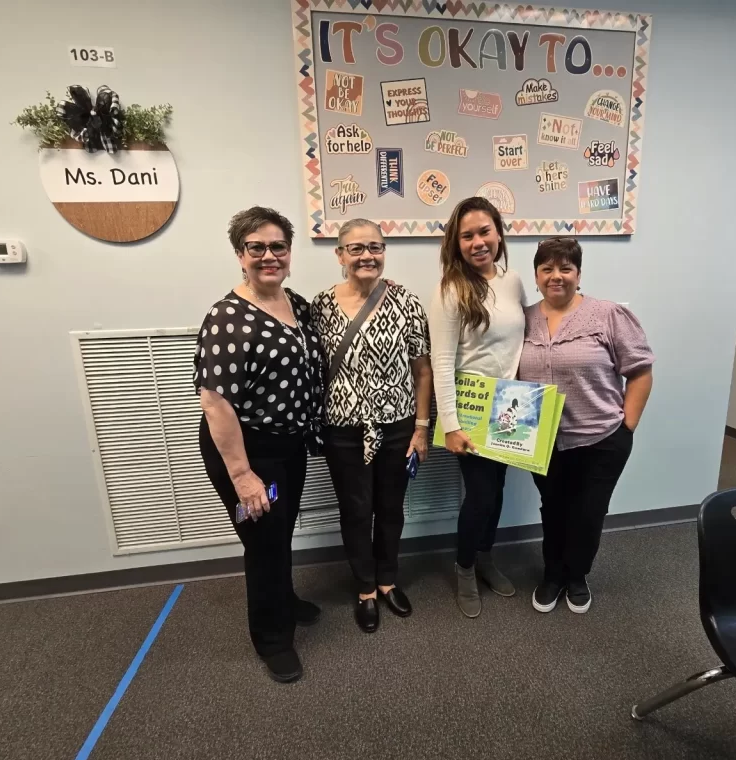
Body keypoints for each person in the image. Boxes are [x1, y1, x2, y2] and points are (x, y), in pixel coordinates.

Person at [194, 206, 324, 683]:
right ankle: (272, 638)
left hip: (288, 444)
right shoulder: (228, 317)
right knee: (264, 543)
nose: (269, 255)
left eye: (278, 247)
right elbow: (216, 405)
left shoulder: (296, 303)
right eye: (257, 247)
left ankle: (283, 600)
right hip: (247, 451)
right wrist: (243, 475)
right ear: (240, 255)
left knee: (279, 532)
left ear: (289, 254)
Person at [518, 237, 654, 614]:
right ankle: (552, 575)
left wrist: (627, 425)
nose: (556, 276)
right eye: (547, 269)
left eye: (565, 268)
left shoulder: (607, 314)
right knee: (553, 508)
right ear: (536, 275)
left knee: (589, 512)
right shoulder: (523, 319)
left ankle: (577, 575)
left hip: (601, 439)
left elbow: (640, 372)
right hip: (543, 442)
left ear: (578, 274)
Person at [311, 219, 432, 633]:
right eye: (356, 248)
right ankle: (364, 589)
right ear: (340, 254)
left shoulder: (406, 302)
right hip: (343, 429)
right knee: (356, 510)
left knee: (391, 509)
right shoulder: (320, 307)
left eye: (376, 247)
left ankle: (387, 581)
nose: (367, 256)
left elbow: (422, 369)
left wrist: (421, 427)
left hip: (398, 425)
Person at [429, 197, 527, 619]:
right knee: (481, 495)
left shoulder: (513, 282)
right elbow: (441, 361)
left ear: (499, 233)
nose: (477, 242)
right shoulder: (451, 289)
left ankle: (485, 557)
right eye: (467, 235)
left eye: (484, 231)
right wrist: (449, 424)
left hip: (510, 407)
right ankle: (465, 566)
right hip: (470, 410)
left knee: (497, 489)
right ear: (456, 242)